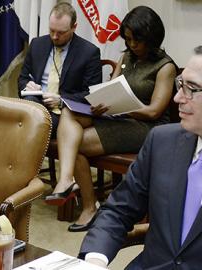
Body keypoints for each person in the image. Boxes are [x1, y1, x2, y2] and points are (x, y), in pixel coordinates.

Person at [46, 6, 177, 232]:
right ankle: (67, 180)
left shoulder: (165, 67)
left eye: (137, 40)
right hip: (117, 117)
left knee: (72, 144)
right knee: (69, 112)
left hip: (146, 126)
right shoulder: (126, 56)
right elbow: (109, 89)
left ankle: (89, 206)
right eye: (128, 39)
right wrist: (99, 103)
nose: (132, 45)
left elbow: (155, 111)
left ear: (151, 37)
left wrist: (121, 110)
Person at [79, 45, 202, 269]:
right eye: (181, 85)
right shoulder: (162, 141)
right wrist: (95, 259)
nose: (177, 98)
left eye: (191, 89)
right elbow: (118, 210)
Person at [18, 2, 102, 138]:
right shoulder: (37, 44)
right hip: (36, 104)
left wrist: (62, 100)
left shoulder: (89, 52)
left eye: (61, 33)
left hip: (64, 113)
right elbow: (22, 78)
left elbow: (91, 94)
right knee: (26, 111)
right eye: (51, 30)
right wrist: (27, 85)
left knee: (31, 125)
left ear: (74, 27)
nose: (55, 36)